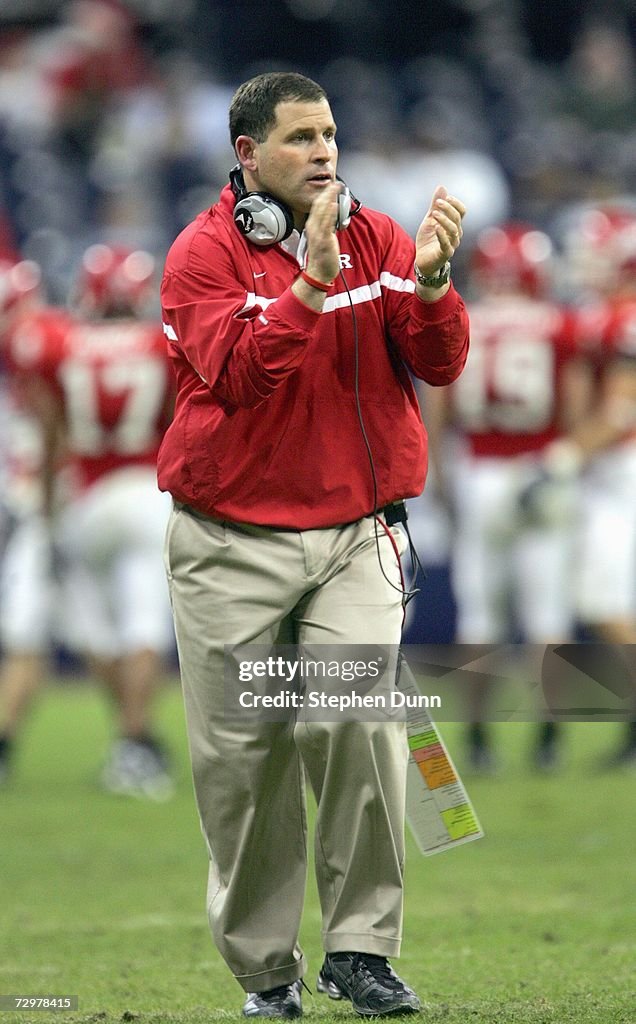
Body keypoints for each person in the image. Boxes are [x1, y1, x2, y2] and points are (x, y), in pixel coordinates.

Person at [159, 71, 469, 1019]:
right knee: (243, 769)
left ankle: (360, 949)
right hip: (231, 543)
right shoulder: (199, 257)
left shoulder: (376, 236)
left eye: (330, 132)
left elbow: (441, 362)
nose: (325, 151)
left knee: (358, 723)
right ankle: (266, 974)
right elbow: (247, 377)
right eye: (301, 137)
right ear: (247, 155)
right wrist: (310, 281)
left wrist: (430, 284)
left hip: (352, 537)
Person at [7, 243, 177, 799]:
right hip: (148, 490)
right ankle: (136, 742)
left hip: (85, 498)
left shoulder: (59, 341)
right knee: (142, 623)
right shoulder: (160, 343)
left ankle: (135, 739)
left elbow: (51, 430)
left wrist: (52, 505)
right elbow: (183, 422)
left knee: (95, 630)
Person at [420, 222, 590, 772]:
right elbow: (576, 409)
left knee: (479, 614)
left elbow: (438, 411)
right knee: (547, 612)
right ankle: (547, 745)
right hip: (542, 468)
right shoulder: (560, 325)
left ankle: (478, 744)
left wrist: (444, 482)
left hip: (481, 474)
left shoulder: (465, 319)